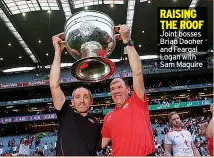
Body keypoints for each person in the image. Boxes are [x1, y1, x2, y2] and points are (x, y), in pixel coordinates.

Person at [101, 25, 155, 156]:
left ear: (128, 89)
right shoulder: (108, 117)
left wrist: (127, 41)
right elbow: (99, 144)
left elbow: (137, 72)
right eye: (112, 89)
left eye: (119, 87)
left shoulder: (137, 101)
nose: (116, 91)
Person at [50, 35, 101, 156]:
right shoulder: (66, 114)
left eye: (85, 96)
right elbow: (54, 85)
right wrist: (58, 52)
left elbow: (99, 146)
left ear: (91, 101)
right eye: (77, 97)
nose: (81, 101)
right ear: (72, 102)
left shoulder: (97, 122)